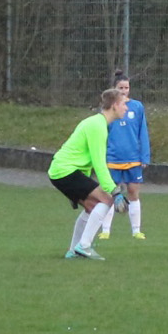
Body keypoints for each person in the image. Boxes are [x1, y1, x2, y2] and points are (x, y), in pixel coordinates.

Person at [48, 88, 129, 260]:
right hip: (65, 170)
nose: (126, 108)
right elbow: (99, 163)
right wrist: (114, 191)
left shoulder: (97, 123)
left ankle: (74, 251)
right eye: (123, 104)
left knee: (91, 207)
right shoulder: (98, 126)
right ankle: (84, 246)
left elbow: (85, 159)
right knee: (107, 199)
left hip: (61, 171)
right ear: (114, 105)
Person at [99, 71, 151, 240]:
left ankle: (136, 231)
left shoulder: (137, 107)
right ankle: (105, 230)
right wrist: (101, 157)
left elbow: (142, 132)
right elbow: (101, 135)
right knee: (110, 194)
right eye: (120, 88)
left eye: (126, 88)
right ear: (114, 89)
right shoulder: (108, 110)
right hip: (113, 159)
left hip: (133, 159)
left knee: (133, 192)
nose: (123, 91)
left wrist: (145, 156)